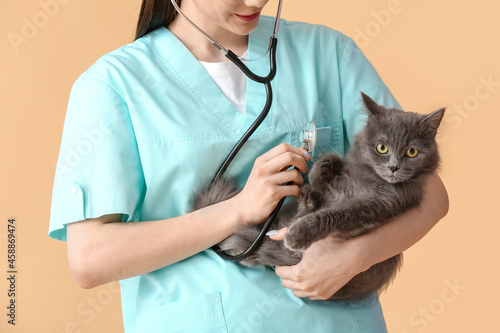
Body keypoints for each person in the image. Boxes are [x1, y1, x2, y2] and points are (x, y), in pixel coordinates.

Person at [48, 0, 449, 332]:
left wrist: (355, 257)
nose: (257, 1)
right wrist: (236, 210)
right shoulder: (112, 84)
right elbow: (89, 259)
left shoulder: (329, 54)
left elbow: (430, 196)